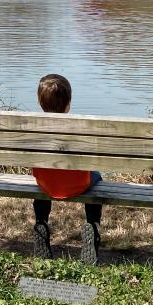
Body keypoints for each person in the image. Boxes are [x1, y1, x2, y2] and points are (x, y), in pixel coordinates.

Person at [32, 73, 103, 264]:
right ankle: (92, 227)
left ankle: (41, 224)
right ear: (68, 103)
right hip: (79, 184)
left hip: (45, 184)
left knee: (42, 178)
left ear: (40, 103)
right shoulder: (80, 128)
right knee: (98, 177)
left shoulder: (32, 128)